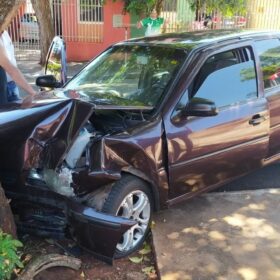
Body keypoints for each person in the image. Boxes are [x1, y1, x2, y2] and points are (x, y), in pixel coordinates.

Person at [0, 30, 36, 104]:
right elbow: (10, 69)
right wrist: (33, 93)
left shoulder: (5, 33)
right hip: (3, 89)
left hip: (11, 85)